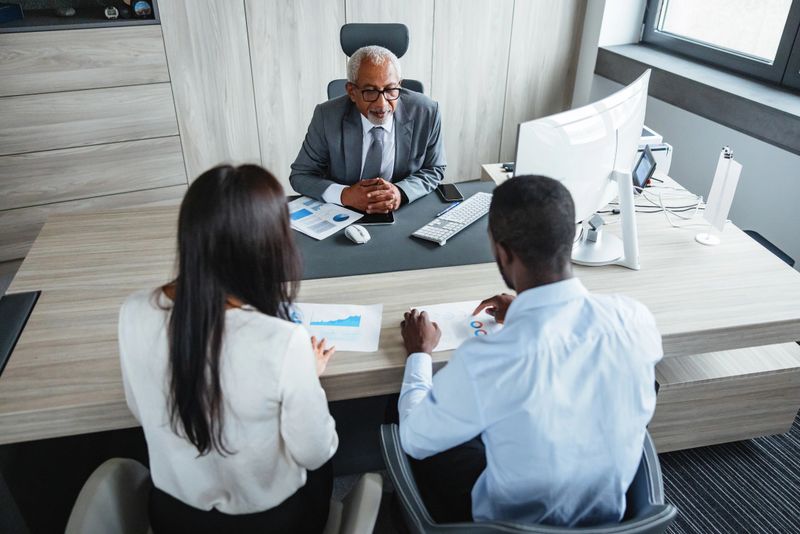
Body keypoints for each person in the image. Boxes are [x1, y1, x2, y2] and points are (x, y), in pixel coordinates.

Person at [398, 176, 663, 527]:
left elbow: (415, 441)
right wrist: (526, 306)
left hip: (504, 525)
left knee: (409, 414)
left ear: (502, 252)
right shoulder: (636, 320)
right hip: (609, 519)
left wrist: (419, 354)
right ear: (570, 238)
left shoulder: (488, 359)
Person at [118, 165, 338, 533]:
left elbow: (139, 410)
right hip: (269, 522)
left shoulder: (134, 310)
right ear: (270, 247)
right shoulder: (282, 341)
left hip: (174, 517)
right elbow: (314, 452)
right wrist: (308, 377)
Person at [290, 45, 446, 214]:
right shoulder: (327, 116)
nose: (382, 104)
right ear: (352, 91)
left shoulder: (427, 111)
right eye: (370, 91)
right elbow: (301, 175)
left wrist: (401, 192)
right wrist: (344, 195)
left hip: (401, 212)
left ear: (399, 85)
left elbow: (434, 168)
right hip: (345, 214)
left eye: (390, 89)